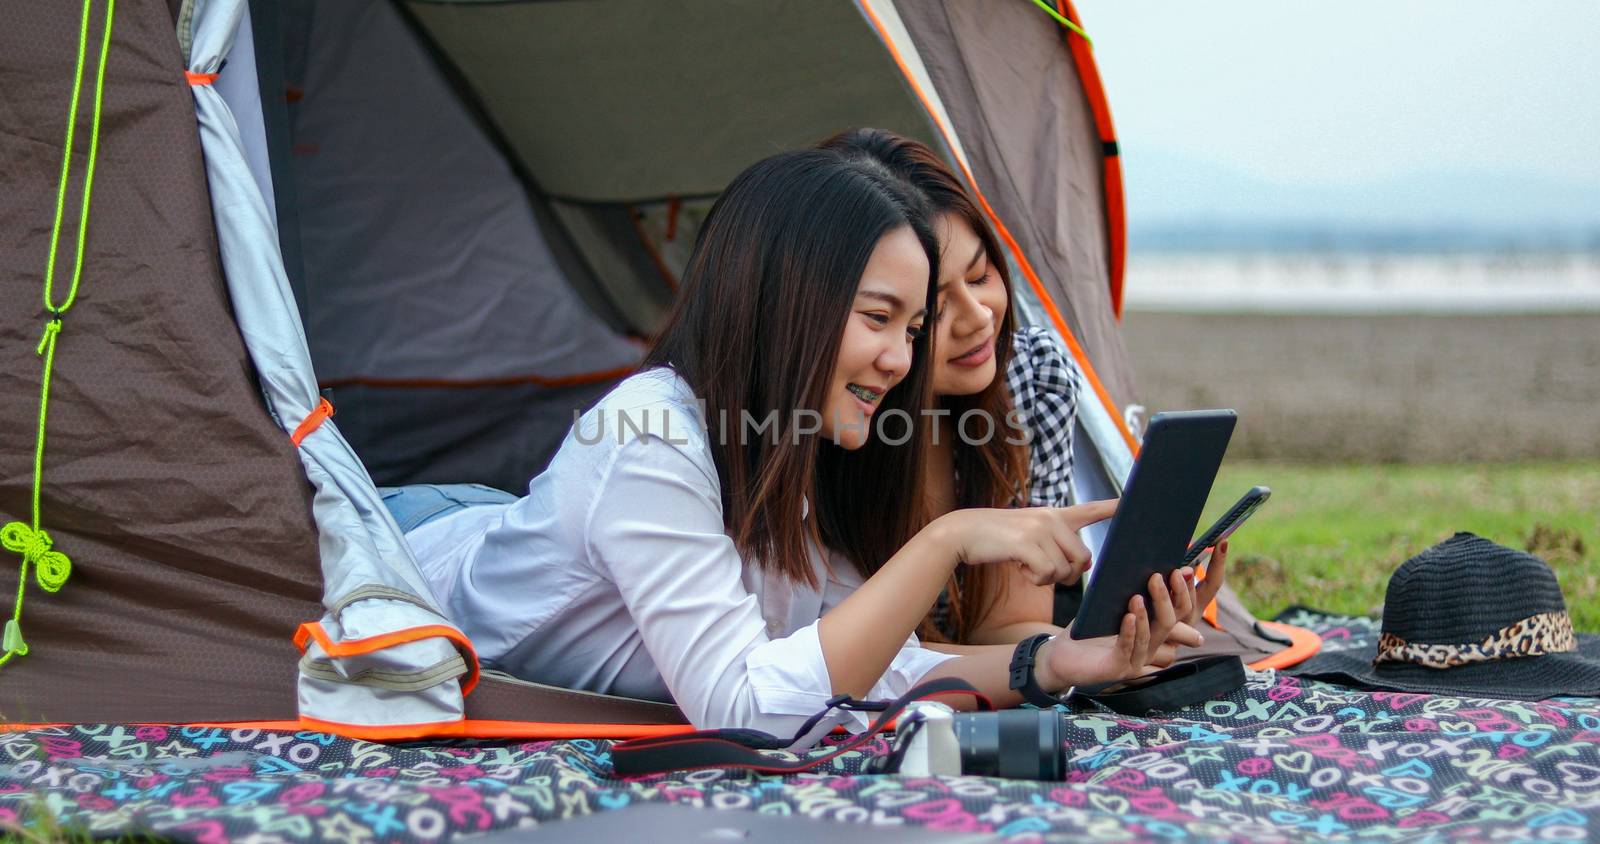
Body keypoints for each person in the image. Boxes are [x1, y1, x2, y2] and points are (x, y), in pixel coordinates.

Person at [392, 149, 1196, 746]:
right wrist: (946, 538)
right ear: (785, 300)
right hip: (419, 549)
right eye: (878, 318)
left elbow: (857, 665)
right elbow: (745, 710)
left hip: (522, 529)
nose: (901, 359)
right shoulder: (649, 437)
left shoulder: (798, 444)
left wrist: (1058, 665)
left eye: (910, 330)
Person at [820, 128, 1228, 651]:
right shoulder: (829, 417)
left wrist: (1106, 652)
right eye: (936, 307)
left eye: (980, 274)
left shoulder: (1030, 379)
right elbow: (827, 660)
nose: (978, 317)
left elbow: (1006, 625)